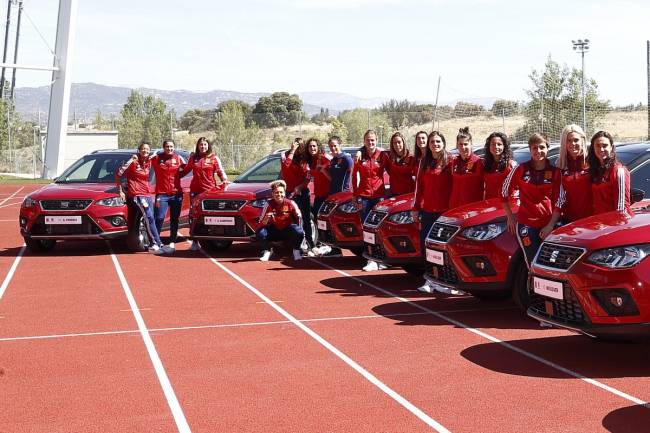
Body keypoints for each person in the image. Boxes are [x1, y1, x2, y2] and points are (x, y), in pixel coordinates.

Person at [502, 133, 561, 268]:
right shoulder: (521, 169)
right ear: (530, 149)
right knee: (532, 264)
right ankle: (532, 288)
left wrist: (550, 225)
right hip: (526, 225)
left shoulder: (555, 172)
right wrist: (510, 217)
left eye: (542, 147)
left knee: (550, 265)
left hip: (548, 226)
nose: (538, 151)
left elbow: (560, 202)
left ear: (547, 149)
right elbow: (504, 193)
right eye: (534, 148)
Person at [411, 131, 453, 293]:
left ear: (443, 143)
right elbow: (418, 188)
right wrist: (415, 208)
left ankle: (446, 281)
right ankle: (430, 280)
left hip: (445, 214)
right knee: (427, 248)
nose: (435, 145)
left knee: (444, 249)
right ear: (428, 145)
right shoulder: (424, 162)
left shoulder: (450, 161)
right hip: (427, 211)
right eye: (432, 142)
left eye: (438, 142)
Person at [540, 125, 591, 238]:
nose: (573, 144)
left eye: (576, 140)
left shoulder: (593, 162)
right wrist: (550, 225)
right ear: (564, 143)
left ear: (583, 140)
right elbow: (560, 199)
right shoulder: (562, 165)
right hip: (571, 224)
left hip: (593, 223)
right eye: (569, 141)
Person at [115, 141, 164, 254]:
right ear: (139, 150)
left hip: (147, 195)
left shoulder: (149, 162)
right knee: (149, 217)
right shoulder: (133, 161)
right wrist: (120, 190)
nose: (145, 151)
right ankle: (154, 243)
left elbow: (159, 154)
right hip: (137, 195)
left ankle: (158, 243)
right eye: (143, 149)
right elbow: (118, 174)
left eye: (147, 149)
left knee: (151, 218)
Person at [181, 137, 228, 251]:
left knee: (211, 215)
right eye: (201, 145)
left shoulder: (213, 158)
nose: (203, 147)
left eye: (205, 145)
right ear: (198, 146)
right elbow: (185, 170)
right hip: (195, 192)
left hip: (209, 192)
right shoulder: (193, 158)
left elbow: (220, 171)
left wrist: (224, 181)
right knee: (193, 215)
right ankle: (195, 241)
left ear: (208, 146)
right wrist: (173, 174)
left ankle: (214, 239)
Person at [352, 129, 389, 271]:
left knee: (380, 229)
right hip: (364, 197)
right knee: (367, 229)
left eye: (372, 140)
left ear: (377, 140)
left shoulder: (383, 155)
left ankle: (382, 259)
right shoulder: (359, 156)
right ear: (364, 142)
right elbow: (354, 176)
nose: (370, 142)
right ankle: (370, 259)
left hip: (379, 197)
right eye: (368, 140)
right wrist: (355, 194)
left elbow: (393, 171)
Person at [316, 135, 352, 257]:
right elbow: (332, 178)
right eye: (331, 146)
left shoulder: (346, 159)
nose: (333, 148)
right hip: (333, 195)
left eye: (335, 145)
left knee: (342, 222)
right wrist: (323, 170)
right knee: (331, 221)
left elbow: (355, 174)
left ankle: (344, 249)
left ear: (340, 145)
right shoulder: (333, 160)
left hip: (344, 195)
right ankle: (335, 250)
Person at [256, 180, 305, 262]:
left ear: (284, 193)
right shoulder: (268, 204)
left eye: (281, 192)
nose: (279, 194)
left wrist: (301, 236)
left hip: (287, 229)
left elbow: (299, 219)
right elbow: (261, 223)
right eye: (276, 192)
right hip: (274, 230)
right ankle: (267, 251)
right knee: (260, 232)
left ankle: (296, 251)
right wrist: (266, 219)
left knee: (299, 231)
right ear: (273, 194)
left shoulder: (291, 203)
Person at [152, 139, 186, 254]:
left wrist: (180, 175)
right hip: (162, 194)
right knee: (160, 217)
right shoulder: (156, 158)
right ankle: (155, 242)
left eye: (171, 146)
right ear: (163, 147)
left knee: (174, 219)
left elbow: (187, 168)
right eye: (167, 146)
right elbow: (144, 162)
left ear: (174, 147)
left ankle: (172, 241)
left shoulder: (179, 158)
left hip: (176, 194)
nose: (169, 149)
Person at [281, 137, 313, 254]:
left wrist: (300, 187)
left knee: (306, 218)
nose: (299, 148)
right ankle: (297, 245)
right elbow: (285, 166)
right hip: (290, 192)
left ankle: (310, 243)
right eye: (296, 145)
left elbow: (308, 176)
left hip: (303, 191)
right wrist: (292, 151)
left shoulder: (305, 159)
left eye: (300, 146)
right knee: (295, 219)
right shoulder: (285, 155)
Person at [587, 130, 630, 214]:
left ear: (611, 147)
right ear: (593, 148)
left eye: (605, 145)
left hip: (613, 224)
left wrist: (615, 226)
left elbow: (622, 207)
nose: (601, 149)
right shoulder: (595, 170)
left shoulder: (618, 170)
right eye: (598, 146)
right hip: (598, 223)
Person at [304, 137, 332, 256]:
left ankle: (331, 247)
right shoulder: (312, 161)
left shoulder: (326, 158)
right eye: (310, 146)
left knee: (326, 221)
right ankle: (321, 244)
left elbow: (334, 178)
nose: (312, 148)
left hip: (328, 195)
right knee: (317, 219)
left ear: (319, 147)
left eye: (314, 146)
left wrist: (323, 171)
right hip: (318, 195)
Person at [449, 127, 483, 208]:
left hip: (472, 208)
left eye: (466, 144)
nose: (463, 147)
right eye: (460, 144)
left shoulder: (478, 162)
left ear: (471, 144)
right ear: (457, 145)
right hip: (454, 207)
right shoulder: (454, 161)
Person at [482, 132, 516, 200]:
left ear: (504, 146)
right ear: (489, 146)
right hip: (489, 204)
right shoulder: (484, 164)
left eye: (499, 144)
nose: (496, 147)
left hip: (507, 204)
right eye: (493, 144)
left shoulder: (511, 165)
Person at [386, 132, 417, 196]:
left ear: (403, 143)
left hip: (408, 193)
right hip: (394, 193)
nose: (397, 145)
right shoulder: (388, 156)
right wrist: (361, 150)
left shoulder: (411, 158)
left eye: (399, 142)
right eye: (394, 143)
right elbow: (373, 150)